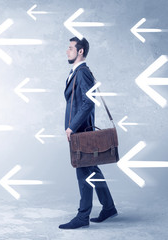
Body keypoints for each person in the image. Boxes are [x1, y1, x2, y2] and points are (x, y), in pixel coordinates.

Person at [59, 37, 118, 229]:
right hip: (81, 128)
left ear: (81, 51)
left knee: (83, 172)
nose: (67, 51)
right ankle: (108, 207)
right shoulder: (76, 72)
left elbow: (88, 102)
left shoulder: (82, 73)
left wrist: (72, 127)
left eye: (70, 48)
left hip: (81, 130)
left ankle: (83, 217)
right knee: (92, 170)